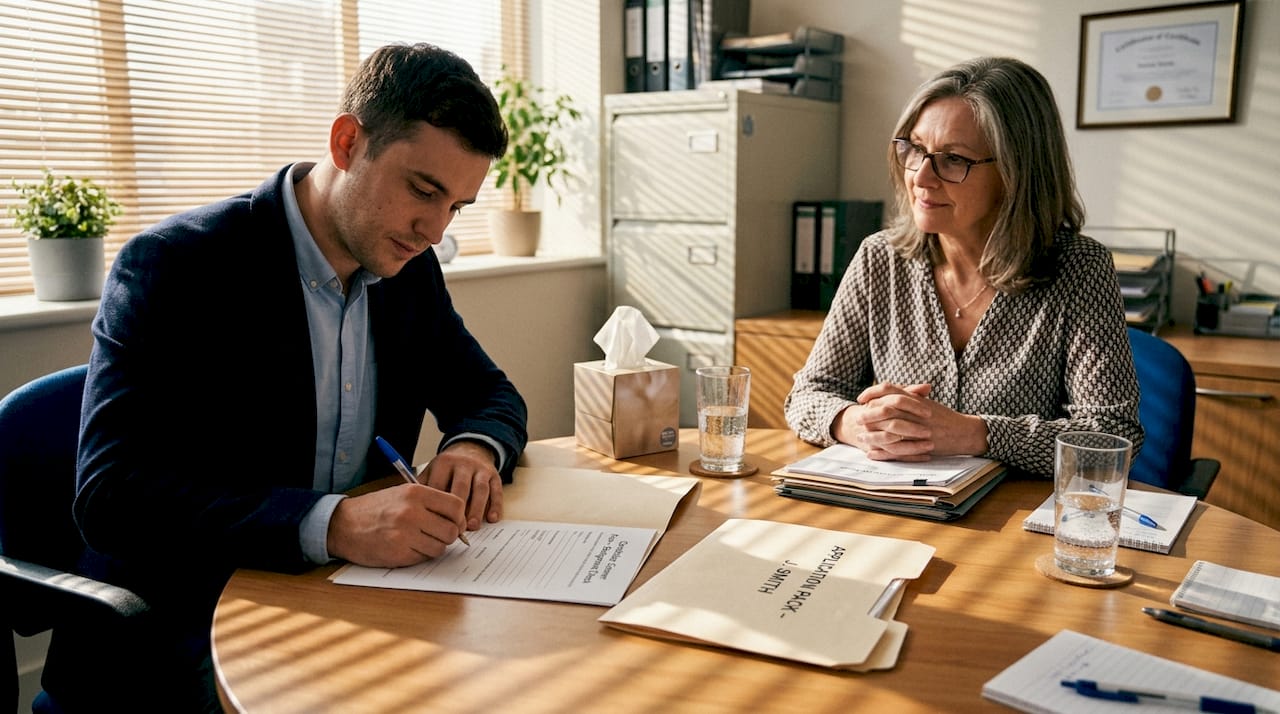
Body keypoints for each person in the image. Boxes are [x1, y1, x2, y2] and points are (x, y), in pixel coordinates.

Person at [62, 43, 528, 712]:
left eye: (457, 206)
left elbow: (489, 393)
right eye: (424, 190)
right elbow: (111, 497)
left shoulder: (406, 268)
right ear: (346, 143)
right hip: (190, 625)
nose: (434, 229)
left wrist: (473, 446)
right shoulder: (175, 267)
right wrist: (332, 524)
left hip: (351, 603)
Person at [784, 56, 1142, 478]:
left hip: (1012, 524)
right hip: (892, 509)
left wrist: (976, 434)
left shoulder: (1079, 269)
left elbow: (1112, 437)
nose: (921, 176)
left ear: (1016, 171)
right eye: (914, 149)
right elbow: (807, 395)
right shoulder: (880, 258)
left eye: (953, 159)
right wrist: (853, 424)